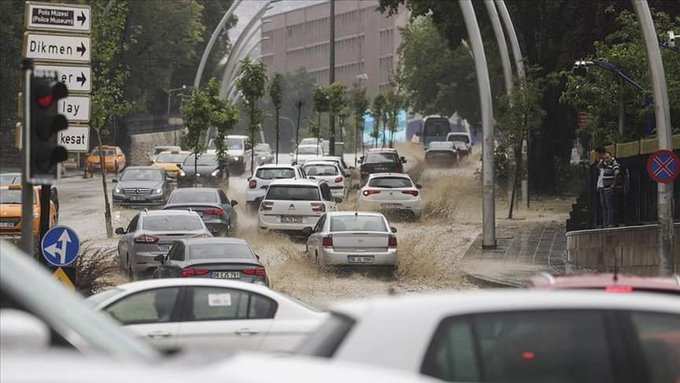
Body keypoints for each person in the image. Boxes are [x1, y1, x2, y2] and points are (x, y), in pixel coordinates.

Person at [595, 147, 620, 227]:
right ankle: (605, 223)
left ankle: (610, 223)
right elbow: (598, 168)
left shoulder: (612, 161)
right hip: (602, 186)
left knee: (609, 206)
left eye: (607, 157)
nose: (606, 158)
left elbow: (616, 172)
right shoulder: (603, 163)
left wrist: (613, 184)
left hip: (608, 187)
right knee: (604, 205)